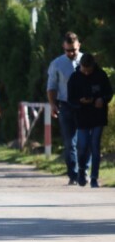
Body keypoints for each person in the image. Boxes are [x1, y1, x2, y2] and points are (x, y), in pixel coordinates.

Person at [67, 53, 113, 188]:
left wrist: (102, 99)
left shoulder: (101, 75)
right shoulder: (75, 77)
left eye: (89, 70)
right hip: (82, 117)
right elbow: (70, 99)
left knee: (95, 146)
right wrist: (79, 102)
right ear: (80, 66)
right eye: (84, 70)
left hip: (98, 116)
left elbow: (109, 93)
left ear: (93, 67)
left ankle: (94, 177)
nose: (86, 73)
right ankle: (81, 170)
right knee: (82, 146)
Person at [47, 31, 84, 185]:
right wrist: (53, 104)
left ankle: (84, 171)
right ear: (63, 47)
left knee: (85, 140)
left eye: (74, 50)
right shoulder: (57, 63)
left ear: (79, 46)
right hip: (66, 104)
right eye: (68, 50)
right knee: (70, 142)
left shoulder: (86, 60)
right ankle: (73, 174)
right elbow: (51, 86)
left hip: (84, 106)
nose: (71, 53)